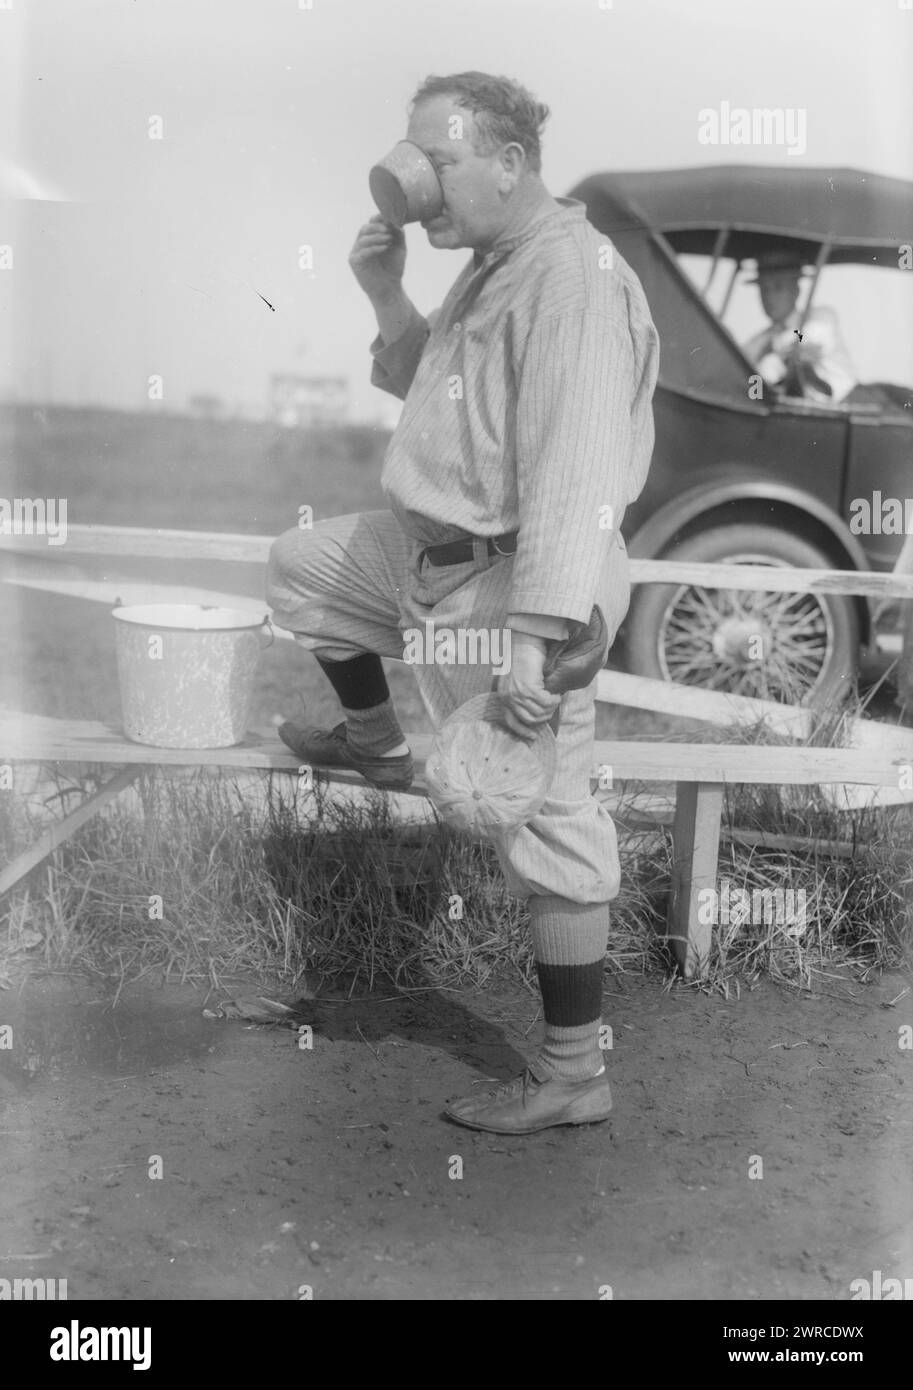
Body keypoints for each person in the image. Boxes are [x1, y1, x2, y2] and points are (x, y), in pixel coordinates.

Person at [266, 71, 659, 1134]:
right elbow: (442, 413)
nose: (415, 184)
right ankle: (376, 743)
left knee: (545, 814)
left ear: (508, 162)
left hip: (523, 569)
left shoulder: (569, 275)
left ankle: (573, 1072)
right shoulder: (497, 264)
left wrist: (534, 639)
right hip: (428, 547)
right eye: (412, 159)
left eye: (434, 163)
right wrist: (388, 297)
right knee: (305, 564)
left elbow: (576, 467)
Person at [743, 248, 856, 404]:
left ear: (796, 290)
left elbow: (805, 342)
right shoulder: (759, 341)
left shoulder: (820, 318)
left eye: (778, 287)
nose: (769, 297)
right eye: (764, 289)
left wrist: (769, 358)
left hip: (846, 406)